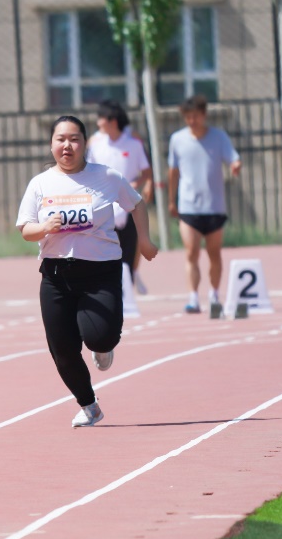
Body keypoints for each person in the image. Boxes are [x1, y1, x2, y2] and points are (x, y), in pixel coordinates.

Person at [17, 116, 158, 428]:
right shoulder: (40, 184)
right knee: (62, 350)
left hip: (100, 272)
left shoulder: (106, 176)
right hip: (55, 275)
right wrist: (45, 227)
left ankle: (103, 347)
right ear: (51, 145)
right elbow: (25, 229)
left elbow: (136, 204)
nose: (67, 145)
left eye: (74, 139)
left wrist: (144, 241)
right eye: (61, 139)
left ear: (84, 143)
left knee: (99, 336)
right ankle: (89, 405)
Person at [167, 95, 242, 314]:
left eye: (196, 116)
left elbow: (233, 158)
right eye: (188, 117)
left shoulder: (219, 137)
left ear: (204, 115)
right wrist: (172, 200)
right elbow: (173, 172)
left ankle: (214, 294)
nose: (192, 121)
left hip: (214, 206)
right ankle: (193, 297)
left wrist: (236, 165)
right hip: (188, 206)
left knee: (214, 253)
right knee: (191, 252)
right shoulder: (177, 139)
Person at [87, 100, 153, 295]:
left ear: (113, 121)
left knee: (130, 248)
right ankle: (108, 290)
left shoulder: (133, 144)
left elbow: (146, 172)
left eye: (101, 118)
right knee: (105, 250)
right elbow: (88, 173)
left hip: (129, 205)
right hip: (104, 205)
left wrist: (137, 184)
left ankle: (128, 290)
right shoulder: (96, 145)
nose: (98, 123)